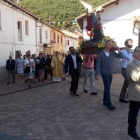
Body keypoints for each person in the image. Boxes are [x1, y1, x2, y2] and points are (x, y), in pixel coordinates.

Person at [94, 40, 122, 110]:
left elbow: (120, 56)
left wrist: (119, 50)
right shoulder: (101, 54)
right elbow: (98, 64)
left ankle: (104, 100)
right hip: (104, 72)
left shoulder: (112, 52)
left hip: (110, 72)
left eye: (111, 44)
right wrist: (96, 74)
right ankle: (109, 103)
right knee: (107, 87)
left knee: (107, 87)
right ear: (105, 45)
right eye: (109, 44)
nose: (110, 46)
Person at [126, 46, 140, 139]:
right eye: (138, 51)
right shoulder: (131, 65)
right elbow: (135, 78)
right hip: (136, 94)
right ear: (134, 53)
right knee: (133, 115)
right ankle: (131, 130)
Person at [119, 39, 134, 103]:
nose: (131, 43)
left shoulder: (132, 50)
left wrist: (132, 52)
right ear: (126, 43)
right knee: (129, 82)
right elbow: (129, 58)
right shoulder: (124, 51)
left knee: (126, 84)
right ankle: (127, 97)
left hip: (130, 69)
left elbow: (136, 55)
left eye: (132, 42)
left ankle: (122, 97)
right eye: (130, 42)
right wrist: (130, 52)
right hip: (124, 69)